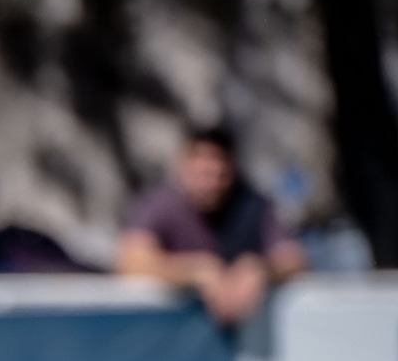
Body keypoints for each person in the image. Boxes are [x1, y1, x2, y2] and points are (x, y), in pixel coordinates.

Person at [116, 125, 306, 326]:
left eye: (220, 175)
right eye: (204, 174)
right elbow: (129, 262)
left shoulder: (254, 205)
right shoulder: (160, 203)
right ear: (184, 166)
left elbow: (294, 260)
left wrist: (260, 269)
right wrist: (196, 272)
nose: (211, 184)